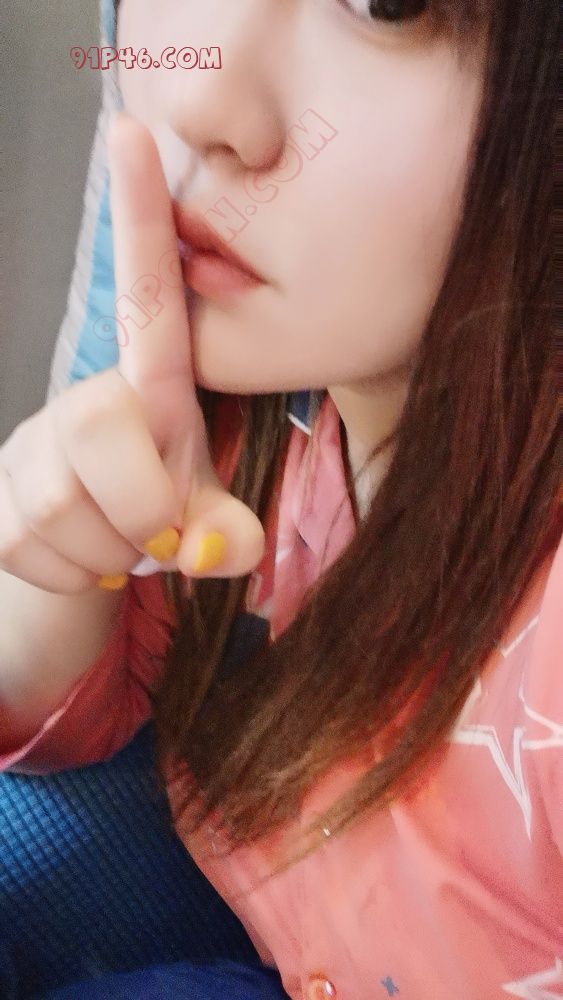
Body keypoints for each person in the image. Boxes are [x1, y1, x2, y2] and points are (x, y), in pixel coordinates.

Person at [0, 1, 561, 998]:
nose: (198, 95)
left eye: (387, 6)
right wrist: (65, 561)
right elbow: (67, 734)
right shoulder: (252, 441)